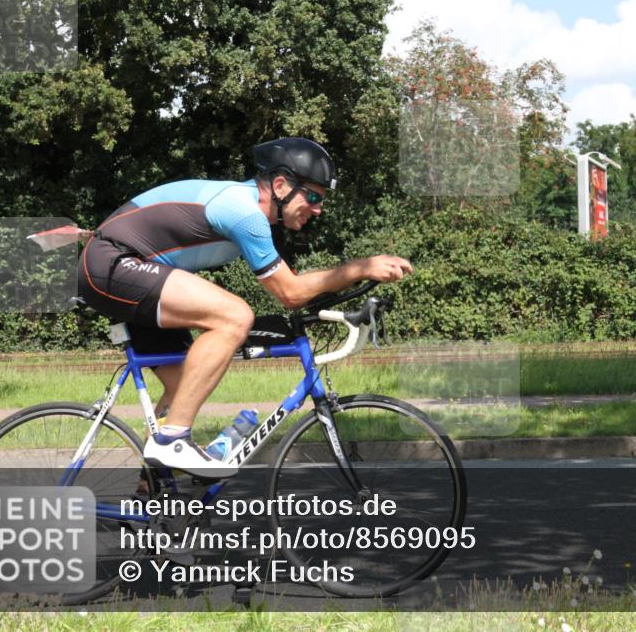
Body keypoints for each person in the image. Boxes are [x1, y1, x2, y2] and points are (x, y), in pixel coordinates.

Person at [76, 138, 412, 477]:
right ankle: (173, 440)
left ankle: (153, 493)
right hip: (112, 262)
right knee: (234, 317)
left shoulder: (262, 221)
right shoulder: (244, 213)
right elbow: (290, 293)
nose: (318, 209)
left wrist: (351, 299)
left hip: (131, 268)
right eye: (312, 197)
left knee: (184, 383)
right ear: (279, 186)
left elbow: (299, 291)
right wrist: (360, 268)